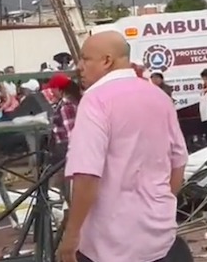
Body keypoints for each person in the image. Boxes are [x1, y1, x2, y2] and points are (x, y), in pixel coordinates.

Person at [60, 31, 189, 262]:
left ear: (107, 60)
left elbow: (87, 176)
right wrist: (161, 203)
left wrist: (71, 236)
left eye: (85, 59)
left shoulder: (95, 100)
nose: (79, 66)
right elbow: (178, 161)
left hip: (109, 240)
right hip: (159, 235)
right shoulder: (158, 96)